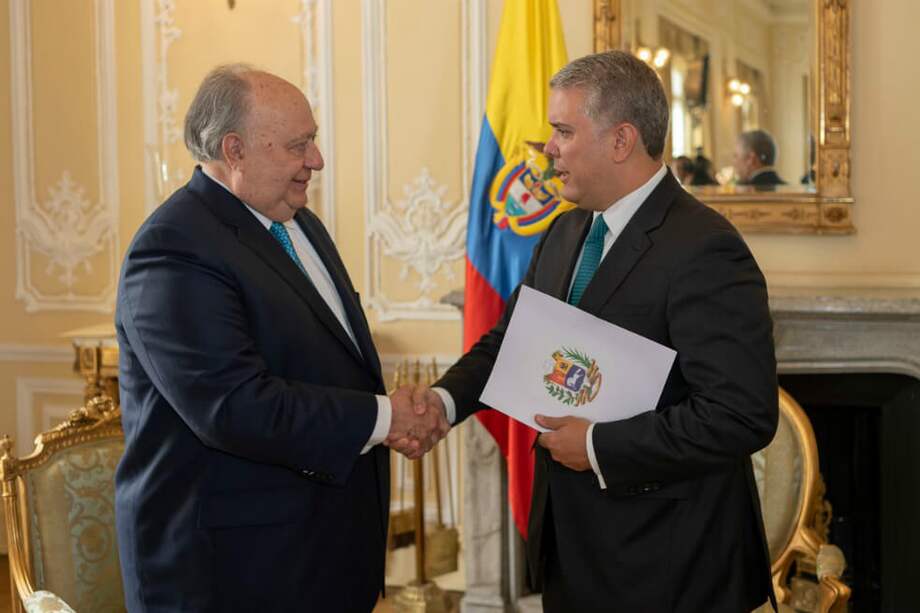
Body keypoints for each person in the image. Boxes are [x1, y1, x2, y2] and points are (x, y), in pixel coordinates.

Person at [405, 51, 778, 612]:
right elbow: (510, 344)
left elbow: (740, 414)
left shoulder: (705, 248)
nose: (547, 148)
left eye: (562, 131)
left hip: (670, 565)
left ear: (621, 140)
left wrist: (600, 445)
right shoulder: (565, 231)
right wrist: (441, 402)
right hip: (573, 551)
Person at [114, 65, 447, 612]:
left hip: (315, 555)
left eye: (312, 140)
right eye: (300, 145)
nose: (315, 160)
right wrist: (386, 418)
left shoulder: (298, 223)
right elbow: (235, 406)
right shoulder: (174, 247)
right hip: (227, 572)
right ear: (235, 150)